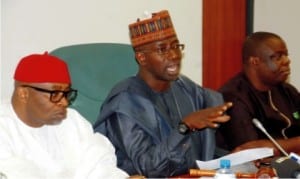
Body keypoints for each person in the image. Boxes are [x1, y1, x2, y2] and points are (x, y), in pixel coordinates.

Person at [93, 10, 233, 177]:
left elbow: (201, 150)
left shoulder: (185, 87)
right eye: (162, 49)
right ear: (142, 58)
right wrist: (184, 127)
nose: (174, 55)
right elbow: (149, 168)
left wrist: (235, 156)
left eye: (176, 46)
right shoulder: (125, 102)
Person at [0, 52, 128, 179]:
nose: (65, 102)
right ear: (23, 94)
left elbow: (100, 163)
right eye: (55, 94)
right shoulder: (4, 128)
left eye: (66, 93)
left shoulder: (72, 120)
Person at [216, 31, 300, 156]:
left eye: (286, 55)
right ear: (255, 62)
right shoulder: (233, 97)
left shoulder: (288, 91)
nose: (287, 61)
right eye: (277, 57)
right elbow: (252, 153)